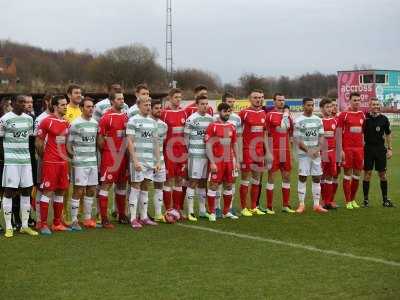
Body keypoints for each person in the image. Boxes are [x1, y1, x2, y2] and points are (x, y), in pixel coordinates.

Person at [0, 95, 38, 238]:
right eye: (21, 102)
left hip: (25, 161)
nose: (24, 104)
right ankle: (9, 227)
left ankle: (24, 226)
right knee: (9, 191)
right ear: (14, 103)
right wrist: (4, 157)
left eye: (25, 102)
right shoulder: (4, 119)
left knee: (27, 191)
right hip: (11, 162)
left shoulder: (29, 119)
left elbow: (29, 140)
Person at [36, 95, 72, 234]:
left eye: (65, 105)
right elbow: (38, 142)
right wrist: (46, 157)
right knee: (48, 192)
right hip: (51, 162)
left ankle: (57, 223)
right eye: (63, 105)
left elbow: (66, 142)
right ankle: (43, 224)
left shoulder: (66, 122)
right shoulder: (46, 121)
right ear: (56, 106)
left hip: (63, 163)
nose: (65, 107)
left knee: (61, 191)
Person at [126, 97, 160, 229]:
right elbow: (129, 141)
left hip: (149, 161)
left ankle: (144, 217)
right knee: (135, 187)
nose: (148, 107)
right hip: (138, 161)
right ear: (138, 105)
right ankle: (133, 218)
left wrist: (157, 161)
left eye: (149, 105)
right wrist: (134, 160)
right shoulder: (133, 120)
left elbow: (155, 142)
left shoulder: (153, 122)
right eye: (145, 104)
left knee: (145, 187)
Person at [97, 92, 129, 228]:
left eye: (122, 98)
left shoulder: (126, 117)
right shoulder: (106, 118)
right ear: (112, 101)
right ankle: (104, 218)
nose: (122, 101)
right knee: (106, 185)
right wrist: (106, 153)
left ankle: (121, 214)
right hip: (110, 155)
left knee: (122, 184)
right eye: (119, 99)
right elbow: (100, 139)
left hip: (123, 155)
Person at [67, 97, 99, 230]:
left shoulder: (95, 123)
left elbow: (96, 142)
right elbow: (69, 143)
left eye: (92, 107)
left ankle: (87, 218)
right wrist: (73, 158)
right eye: (88, 107)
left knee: (91, 189)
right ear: (82, 108)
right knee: (78, 190)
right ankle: (74, 220)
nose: (91, 109)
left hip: (92, 162)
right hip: (80, 163)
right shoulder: (75, 124)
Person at [205, 102, 240, 221]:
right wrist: (212, 162)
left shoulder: (232, 127)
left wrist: (237, 160)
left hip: (229, 161)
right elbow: (208, 145)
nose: (227, 114)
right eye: (225, 111)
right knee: (213, 185)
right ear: (219, 112)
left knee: (229, 185)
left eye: (229, 111)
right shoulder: (212, 126)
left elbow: (234, 144)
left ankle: (226, 212)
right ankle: (212, 212)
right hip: (217, 161)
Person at [238, 90, 269, 217]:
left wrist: (267, 152)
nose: (258, 100)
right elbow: (238, 133)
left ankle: (254, 206)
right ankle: (243, 207)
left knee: (256, 180)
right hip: (247, 151)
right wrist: (239, 152)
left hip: (259, 152)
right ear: (250, 99)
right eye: (255, 97)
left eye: (260, 97)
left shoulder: (263, 113)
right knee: (245, 180)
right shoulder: (243, 113)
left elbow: (265, 134)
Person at [293, 98, 327, 213]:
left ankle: (316, 205)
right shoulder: (298, 120)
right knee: (303, 177)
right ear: (303, 106)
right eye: (308, 105)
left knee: (317, 178)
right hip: (304, 154)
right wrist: (308, 150)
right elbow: (297, 139)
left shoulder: (318, 120)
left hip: (316, 154)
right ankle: (301, 204)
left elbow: (321, 136)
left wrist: (317, 148)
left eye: (312, 105)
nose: (311, 107)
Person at [184, 95, 214, 221]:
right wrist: (188, 153)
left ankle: (202, 211)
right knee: (193, 182)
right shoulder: (191, 119)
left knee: (203, 183)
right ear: (196, 105)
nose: (205, 106)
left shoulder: (210, 119)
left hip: (206, 156)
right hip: (195, 155)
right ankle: (190, 211)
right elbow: (185, 138)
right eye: (202, 104)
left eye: (206, 104)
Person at [265, 93, 295, 214]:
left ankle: (285, 205)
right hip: (273, 150)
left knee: (286, 177)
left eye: (283, 100)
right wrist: (267, 152)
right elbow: (265, 134)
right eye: (279, 100)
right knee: (271, 177)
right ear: (274, 101)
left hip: (285, 150)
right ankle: (269, 206)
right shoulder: (269, 115)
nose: (281, 102)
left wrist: (291, 151)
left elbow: (291, 133)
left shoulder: (288, 116)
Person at [213, 92, 242, 217]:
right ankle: (217, 208)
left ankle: (228, 208)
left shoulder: (237, 118)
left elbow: (238, 138)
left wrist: (238, 157)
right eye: (229, 102)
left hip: (231, 156)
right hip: (218, 156)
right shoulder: (214, 119)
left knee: (231, 181)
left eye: (233, 102)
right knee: (218, 182)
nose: (231, 104)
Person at [160, 88, 188, 216]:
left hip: (181, 152)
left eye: (180, 97)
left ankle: (177, 209)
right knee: (168, 180)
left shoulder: (184, 113)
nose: (178, 99)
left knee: (179, 179)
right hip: (169, 151)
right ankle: (168, 209)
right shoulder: (164, 113)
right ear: (170, 98)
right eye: (176, 97)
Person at [362, 98, 394, 207]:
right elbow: (360, 134)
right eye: (373, 104)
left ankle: (385, 200)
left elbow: (388, 134)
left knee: (382, 174)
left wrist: (389, 148)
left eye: (377, 104)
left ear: (379, 106)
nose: (375, 106)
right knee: (367, 174)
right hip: (368, 149)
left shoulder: (384, 119)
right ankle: (365, 201)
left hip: (380, 149)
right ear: (369, 106)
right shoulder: (365, 118)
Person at [337, 92, 365, 209]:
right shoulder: (344, 115)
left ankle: (353, 199)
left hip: (359, 149)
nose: (357, 102)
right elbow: (338, 133)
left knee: (357, 175)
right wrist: (340, 150)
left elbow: (363, 133)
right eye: (354, 100)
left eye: (358, 100)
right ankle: (348, 201)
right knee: (347, 174)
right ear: (350, 101)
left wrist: (363, 147)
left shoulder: (362, 115)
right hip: (347, 149)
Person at [33, 93, 53, 227]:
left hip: (57, 159)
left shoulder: (59, 117)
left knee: (56, 189)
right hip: (44, 158)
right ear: (47, 102)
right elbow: (37, 140)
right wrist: (43, 156)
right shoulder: (41, 118)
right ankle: (40, 219)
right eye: (53, 101)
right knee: (41, 187)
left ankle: (57, 218)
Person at [319, 98, 339, 210]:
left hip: (332, 152)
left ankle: (328, 201)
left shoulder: (335, 121)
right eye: (327, 107)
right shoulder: (318, 121)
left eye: (330, 107)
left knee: (330, 176)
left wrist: (339, 152)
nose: (329, 109)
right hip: (322, 153)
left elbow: (338, 137)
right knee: (321, 176)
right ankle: (322, 201)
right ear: (321, 109)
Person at [151, 99, 168, 222]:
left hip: (160, 160)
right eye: (156, 108)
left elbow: (162, 142)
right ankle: (141, 215)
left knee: (159, 186)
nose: (159, 110)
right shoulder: (146, 123)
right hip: (146, 160)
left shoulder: (164, 125)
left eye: (160, 108)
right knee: (143, 187)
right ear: (151, 109)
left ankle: (158, 214)